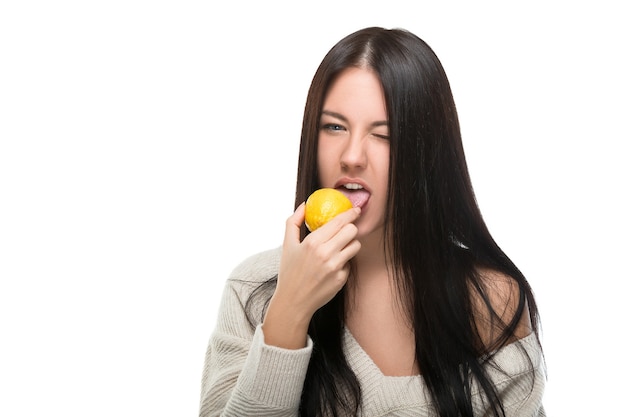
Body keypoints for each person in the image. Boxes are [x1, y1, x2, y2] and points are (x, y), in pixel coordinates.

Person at [199, 26, 546, 416]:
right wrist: (289, 312)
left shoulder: (492, 300)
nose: (351, 156)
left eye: (383, 135)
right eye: (334, 127)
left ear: (426, 153)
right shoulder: (254, 289)